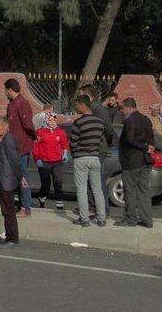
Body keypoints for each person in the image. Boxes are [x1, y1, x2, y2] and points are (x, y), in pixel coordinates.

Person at [114, 98, 155, 228]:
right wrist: (150, 147)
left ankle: (130, 219)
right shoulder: (146, 119)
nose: (121, 111)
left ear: (129, 107)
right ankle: (147, 220)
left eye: (122, 108)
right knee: (144, 191)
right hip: (145, 160)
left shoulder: (130, 120)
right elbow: (151, 138)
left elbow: (130, 140)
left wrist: (144, 147)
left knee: (130, 191)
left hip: (132, 161)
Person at [69, 95, 106, 227]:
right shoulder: (100, 123)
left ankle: (84, 219)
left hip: (81, 158)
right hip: (95, 157)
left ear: (82, 105)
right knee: (97, 189)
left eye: (77, 105)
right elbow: (101, 140)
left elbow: (73, 142)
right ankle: (101, 218)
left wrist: (74, 154)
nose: (76, 108)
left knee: (82, 190)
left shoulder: (78, 123)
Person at [77, 84, 113, 216]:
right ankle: (92, 206)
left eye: (81, 95)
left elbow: (109, 129)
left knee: (97, 180)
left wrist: (103, 142)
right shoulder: (91, 108)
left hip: (98, 149)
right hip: (92, 148)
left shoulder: (97, 108)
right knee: (88, 179)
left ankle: (104, 210)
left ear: (87, 95)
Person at [4, 78, 36, 217]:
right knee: (15, 177)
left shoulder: (22, 103)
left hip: (21, 147)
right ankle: (18, 204)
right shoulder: (12, 104)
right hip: (13, 147)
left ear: (10, 90)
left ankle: (25, 207)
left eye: (6, 90)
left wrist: (33, 136)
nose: (5, 93)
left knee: (23, 176)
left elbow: (28, 124)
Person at [0, 116, 21, 249]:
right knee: (6, 210)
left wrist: (20, 177)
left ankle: (12, 239)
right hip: (4, 179)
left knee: (9, 211)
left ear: (5, 126)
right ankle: (10, 238)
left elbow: (14, 160)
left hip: (7, 180)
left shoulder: (8, 139)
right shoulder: (4, 139)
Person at [33, 112, 68, 210]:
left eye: (54, 120)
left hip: (57, 162)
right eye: (50, 120)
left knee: (58, 183)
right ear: (46, 120)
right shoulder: (40, 132)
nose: (52, 122)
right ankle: (41, 198)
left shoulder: (60, 132)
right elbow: (35, 147)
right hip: (44, 162)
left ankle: (60, 206)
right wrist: (37, 159)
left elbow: (64, 145)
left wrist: (65, 153)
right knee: (46, 185)